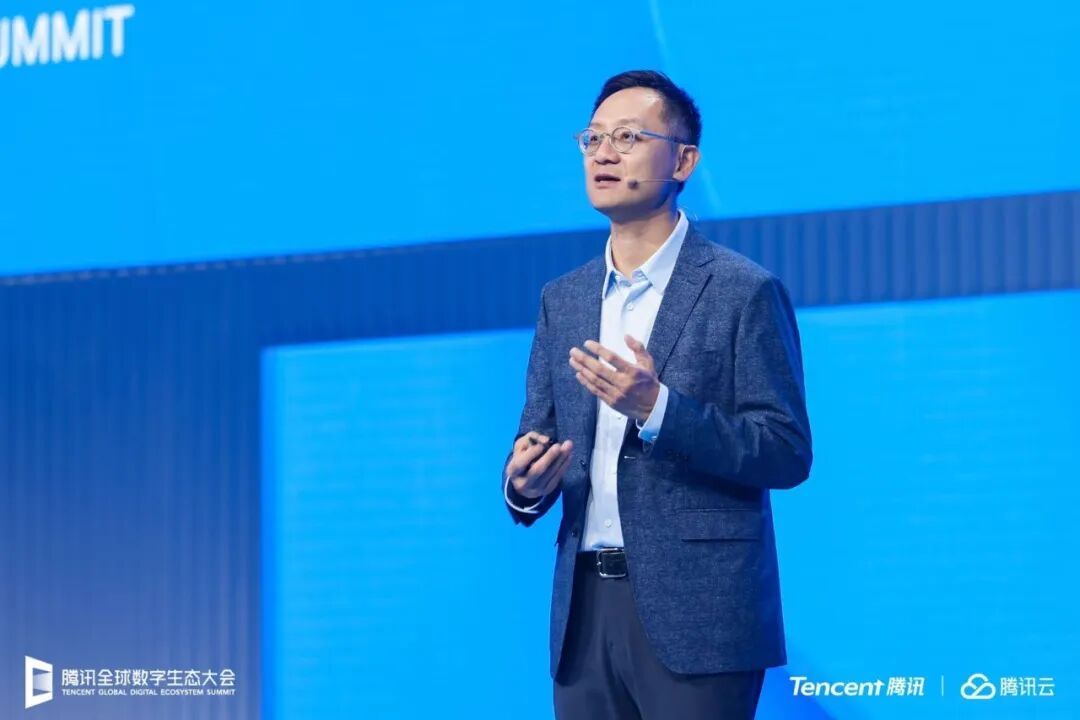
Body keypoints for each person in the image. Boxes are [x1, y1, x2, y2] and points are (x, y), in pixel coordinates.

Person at [501, 70, 813, 720]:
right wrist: (524, 485)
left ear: (684, 161)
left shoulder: (741, 291)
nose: (604, 153)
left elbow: (785, 450)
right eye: (593, 139)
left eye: (628, 138)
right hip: (584, 614)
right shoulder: (564, 299)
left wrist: (658, 408)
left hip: (701, 615)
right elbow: (538, 435)